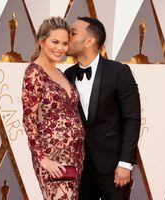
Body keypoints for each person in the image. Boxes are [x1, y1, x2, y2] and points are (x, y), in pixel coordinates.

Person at [65, 17, 141, 200]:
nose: (67, 37)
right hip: (79, 168)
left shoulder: (119, 72)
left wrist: (125, 163)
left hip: (113, 167)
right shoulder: (68, 75)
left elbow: (132, 119)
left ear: (90, 40)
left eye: (73, 33)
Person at [22, 16, 84, 200]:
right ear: (42, 41)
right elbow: (29, 119)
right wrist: (43, 159)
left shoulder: (60, 73)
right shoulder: (34, 73)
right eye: (55, 42)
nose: (60, 48)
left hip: (76, 155)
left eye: (65, 43)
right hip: (53, 156)